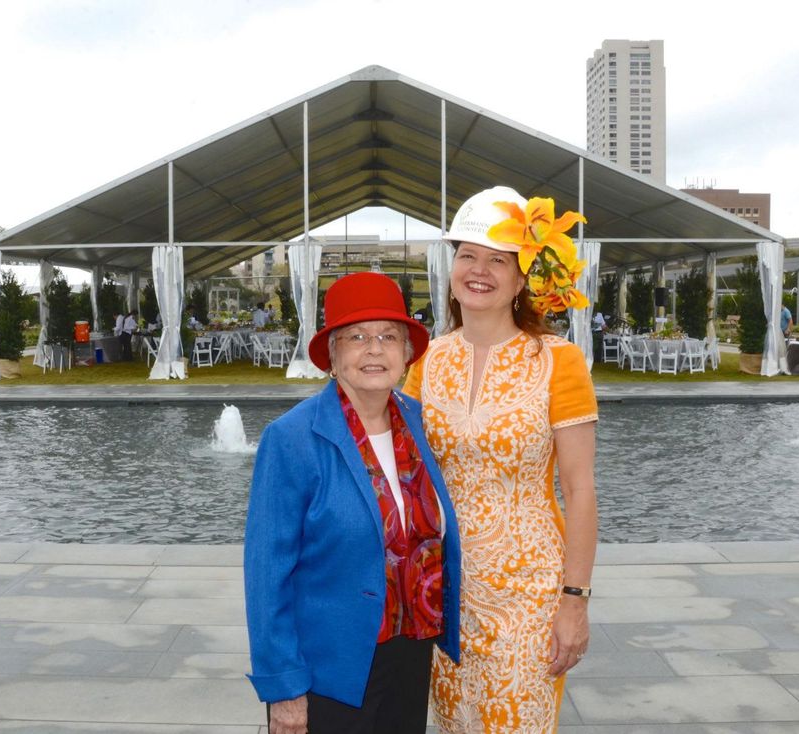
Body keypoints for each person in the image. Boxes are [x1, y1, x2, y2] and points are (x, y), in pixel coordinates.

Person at [403, 186, 598, 733]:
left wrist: (574, 602)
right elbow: (404, 474)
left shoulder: (559, 361)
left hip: (531, 593)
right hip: (444, 590)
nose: (479, 269)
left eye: (498, 259)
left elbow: (580, 489)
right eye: (468, 254)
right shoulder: (424, 360)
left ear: (522, 278)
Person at [244, 272, 461, 734]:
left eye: (388, 336)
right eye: (356, 337)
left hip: (410, 651)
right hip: (331, 670)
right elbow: (267, 576)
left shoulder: (417, 422)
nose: (374, 349)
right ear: (332, 356)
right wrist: (284, 689)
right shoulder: (291, 438)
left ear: (406, 353)